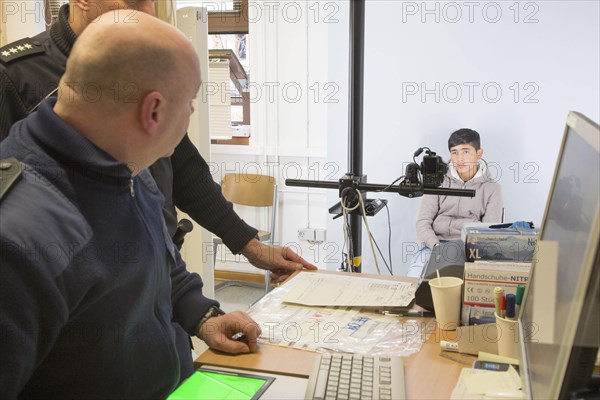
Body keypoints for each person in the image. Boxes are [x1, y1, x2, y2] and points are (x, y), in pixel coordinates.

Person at [0, 11, 262, 398]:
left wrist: (202, 315)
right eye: (189, 102)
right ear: (153, 111)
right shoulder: (20, 239)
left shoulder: (125, 161)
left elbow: (160, 261)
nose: (190, 114)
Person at [0, 0, 316, 284]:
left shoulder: (148, 58)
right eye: (134, 1)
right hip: (82, 306)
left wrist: (249, 245)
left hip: (160, 278)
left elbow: (184, 168)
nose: (149, 12)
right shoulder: (16, 76)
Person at [406, 128, 503, 279]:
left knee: (461, 290)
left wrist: (467, 250)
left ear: (479, 153)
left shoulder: (492, 188)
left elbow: (489, 232)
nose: (459, 159)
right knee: (414, 285)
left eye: (465, 151)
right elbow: (423, 222)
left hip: (469, 249)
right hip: (435, 246)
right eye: (454, 152)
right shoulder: (438, 182)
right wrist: (437, 247)